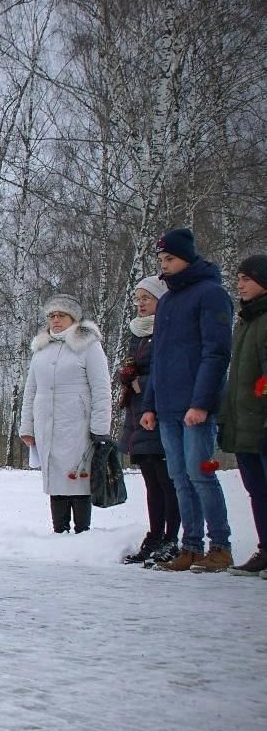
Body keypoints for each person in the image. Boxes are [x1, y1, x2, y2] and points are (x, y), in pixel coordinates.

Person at [140, 228, 234, 573]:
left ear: (187, 258)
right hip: (166, 406)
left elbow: (216, 352)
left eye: (171, 259)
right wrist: (149, 404)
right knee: (179, 477)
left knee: (201, 474)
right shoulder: (167, 302)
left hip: (196, 405)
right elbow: (159, 358)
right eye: (162, 260)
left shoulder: (210, 294)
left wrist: (202, 402)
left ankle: (220, 545)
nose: (165, 266)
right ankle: (190, 546)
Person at [19, 295, 111, 534]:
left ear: (73, 318)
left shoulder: (88, 345)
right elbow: (31, 389)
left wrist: (100, 426)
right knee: (54, 476)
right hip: (46, 422)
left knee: (78, 476)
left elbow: (101, 388)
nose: (56, 320)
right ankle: (59, 530)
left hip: (77, 423)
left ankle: (82, 530)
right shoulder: (41, 348)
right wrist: (27, 426)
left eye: (61, 315)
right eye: (52, 316)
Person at [117, 276, 179, 563]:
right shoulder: (137, 332)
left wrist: (140, 381)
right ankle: (154, 536)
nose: (141, 304)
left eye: (147, 298)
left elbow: (168, 368)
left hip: (158, 409)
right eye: (137, 298)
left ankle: (171, 537)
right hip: (137, 411)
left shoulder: (169, 329)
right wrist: (127, 376)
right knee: (151, 480)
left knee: (167, 479)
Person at [218, 256, 267, 577]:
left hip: (262, 422)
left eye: (247, 278)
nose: (240, 284)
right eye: (238, 278)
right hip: (245, 422)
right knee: (257, 489)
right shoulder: (246, 320)